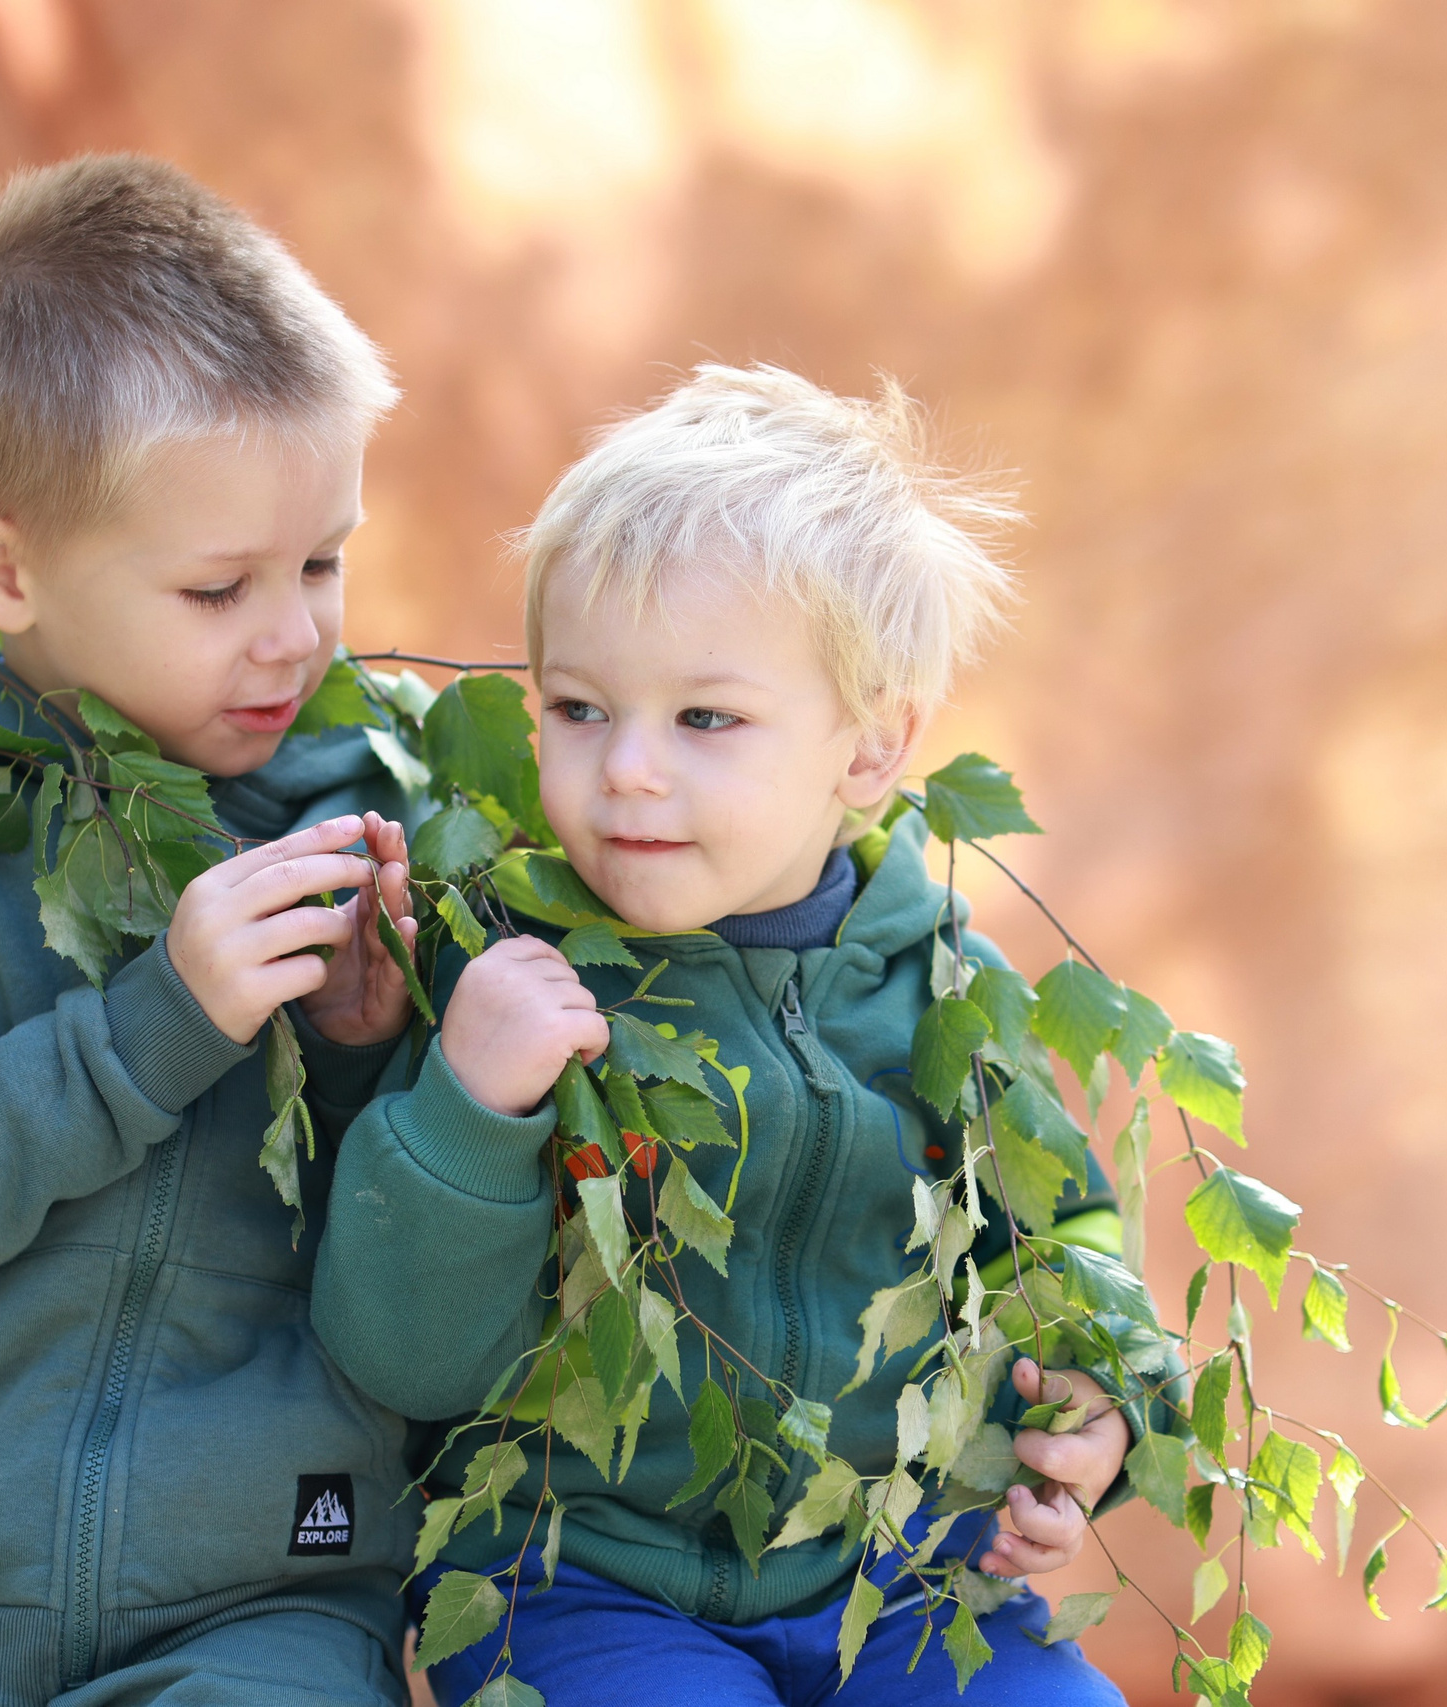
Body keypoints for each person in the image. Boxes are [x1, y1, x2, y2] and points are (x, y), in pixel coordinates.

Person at [311, 365, 1181, 1706]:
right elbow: (400, 1355)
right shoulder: (504, 972)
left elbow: (1064, 1247)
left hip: (905, 1574)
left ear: (869, 751)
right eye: (581, 708)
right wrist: (468, 1112)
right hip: (578, 1578)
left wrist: (1096, 1421)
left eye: (705, 718)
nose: (631, 769)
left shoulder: (947, 990)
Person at [0, 155, 429, 1707]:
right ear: (0, 568)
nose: (297, 633)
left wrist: (363, 1056)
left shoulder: (355, 802)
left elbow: (417, 1261)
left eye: (324, 560)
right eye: (218, 587)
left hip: (281, 1593)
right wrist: (153, 1027)